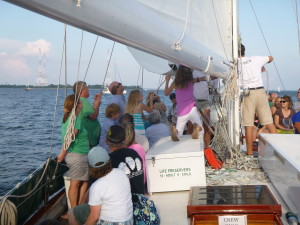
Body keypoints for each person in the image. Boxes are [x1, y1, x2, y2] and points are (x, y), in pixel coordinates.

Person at [68, 146, 133, 225]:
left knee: (71, 213)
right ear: (109, 160)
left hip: (110, 222)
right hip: (128, 221)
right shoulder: (121, 173)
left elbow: (94, 218)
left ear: (91, 167)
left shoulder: (97, 186)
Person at [237, 44, 277, 156]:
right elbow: (270, 58)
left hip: (247, 93)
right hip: (260, 92)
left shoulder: (234, 63)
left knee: (248, 125)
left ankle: (249, 153)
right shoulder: (255, 59)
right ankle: (279, 152)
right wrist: (260, 66)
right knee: (269, 122)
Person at [57, 94, 89, 209]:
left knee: (84, 181)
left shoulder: (68, 117)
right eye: (80, 102)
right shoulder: (76, 120)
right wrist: (62, 154)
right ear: (76, 105)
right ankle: (74, 212)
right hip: (78, 155)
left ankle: (78, 208)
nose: (82, 104)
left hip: (79, 155)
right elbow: (70, 137)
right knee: (76, 183)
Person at [164, 65, 203, 141]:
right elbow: (199, 79)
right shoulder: (191, 80)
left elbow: (166, 93)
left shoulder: (175, 83)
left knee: (179, 135)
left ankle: (175, 131)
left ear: (178, 73)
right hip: (192, 109)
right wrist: (204, 78)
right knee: (201, 132)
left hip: (182, 112)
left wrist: (167, 81)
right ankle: (197, 128)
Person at [107, 125, 145, 194]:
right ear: (124, 140)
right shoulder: (134, 153)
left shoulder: (109, 160)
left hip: (124, 202)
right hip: (140, 200)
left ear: (106, 141)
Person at [193, 70, 219, 148]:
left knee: (207, 126)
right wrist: (200, 79)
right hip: (195, 100)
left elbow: (215, 89)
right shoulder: (194, 70)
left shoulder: (212, 73)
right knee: (194, 126)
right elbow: (189, 81)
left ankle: (206, 148)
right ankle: (194, 147)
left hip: (206, 101)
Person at [73, 81, 102, 148]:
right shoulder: (83, 101)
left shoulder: (77, 100)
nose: (88, 90)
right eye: (87, 88)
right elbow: (93, 116)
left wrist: (95, 102)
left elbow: (90, 113)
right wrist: (97, 105)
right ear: (83, 90)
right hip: (89, 141)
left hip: (83, 140)